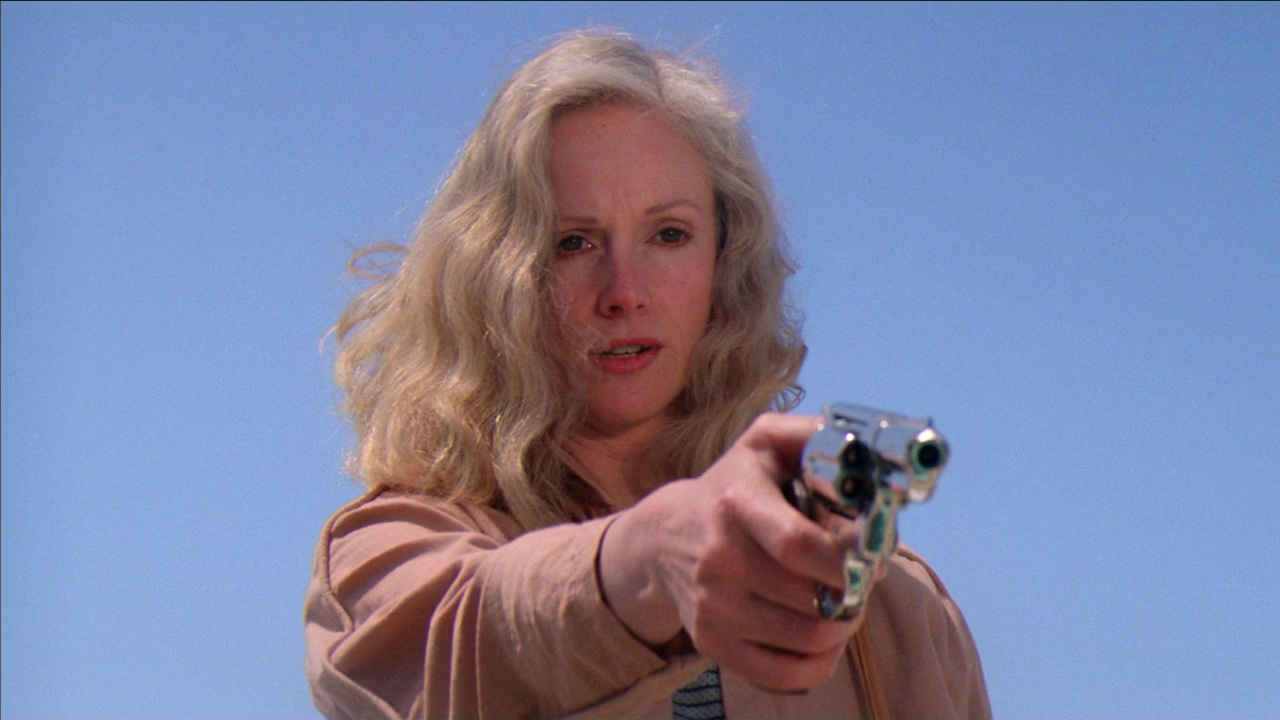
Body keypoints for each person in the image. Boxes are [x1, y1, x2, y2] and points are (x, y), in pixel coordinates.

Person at [304, 30, 990, 720]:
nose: (624, 291)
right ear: (497, 276)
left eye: (669, 235)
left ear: (725, 261)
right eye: (572, 242)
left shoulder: (900, 611)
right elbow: (468, 648)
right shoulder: (390, 553)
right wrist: (650, 559)